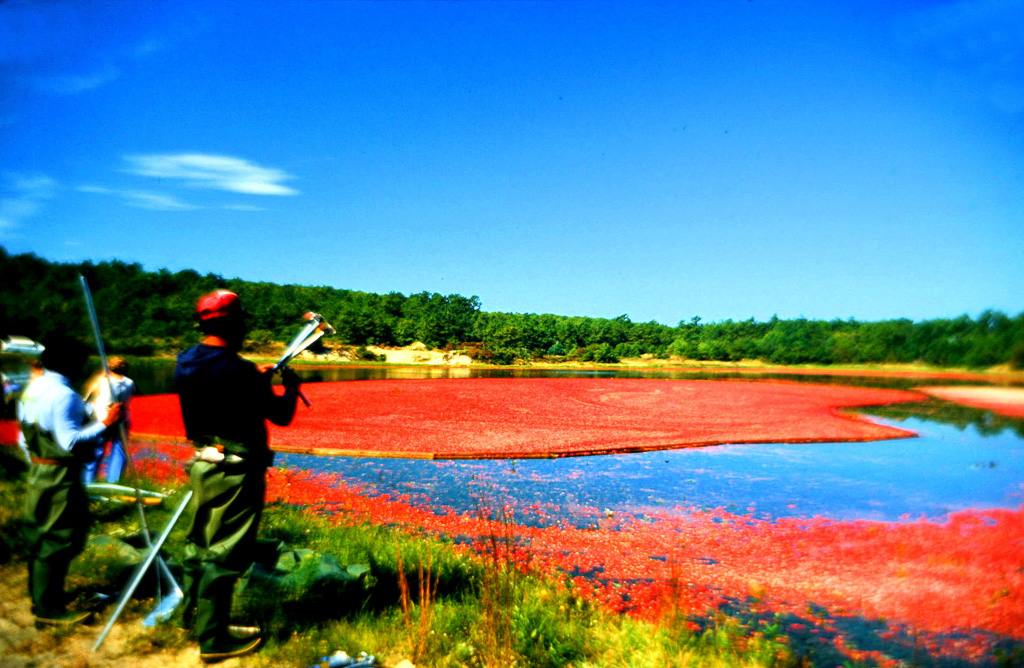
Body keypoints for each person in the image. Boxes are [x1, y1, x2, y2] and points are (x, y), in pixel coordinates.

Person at [175, 290, 301, 664]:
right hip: (236, 470)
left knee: (198, 542)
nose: (245, 327)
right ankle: (214, 641)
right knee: (225, 551)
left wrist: (254, 381)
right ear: (233, 323)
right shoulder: (238, 369)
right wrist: (290, 388)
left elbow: (221, 389)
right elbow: (280, 415)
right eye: (242, 320)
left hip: (203, 462)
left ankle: (192, 619)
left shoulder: (186, 361)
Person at [18, 335, 123, 626]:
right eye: (81, 362)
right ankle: (49, 609)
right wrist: (105, 423)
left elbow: (24, 438)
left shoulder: (33, 388)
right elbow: (70, 442)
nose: (83, 367)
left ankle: (40, 597)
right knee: (59, 538)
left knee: (40, 536)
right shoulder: (64, 394)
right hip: (60, 473)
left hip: (40, 469)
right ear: (70, 363)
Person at [82, 356, 136, 484]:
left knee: (96, 450)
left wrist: (99, 375)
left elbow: (88, 394)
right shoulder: (130, 382)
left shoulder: (103, 380)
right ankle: (114, 480)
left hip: (101, 418)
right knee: (119, 449)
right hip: (120, 418)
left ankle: (88, 481)